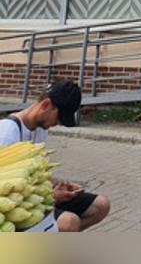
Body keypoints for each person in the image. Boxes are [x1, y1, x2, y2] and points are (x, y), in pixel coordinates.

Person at [0, 80, 111, 232]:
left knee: (100, 205)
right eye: (59, 117)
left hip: (33, 195)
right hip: (11, 205)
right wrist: (52, 196)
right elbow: (4, 188)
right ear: (46, 105)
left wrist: (59, 185)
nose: (58, 123)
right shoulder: (7, 133)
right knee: (69, 222)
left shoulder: (41, 129)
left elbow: (35, 173)